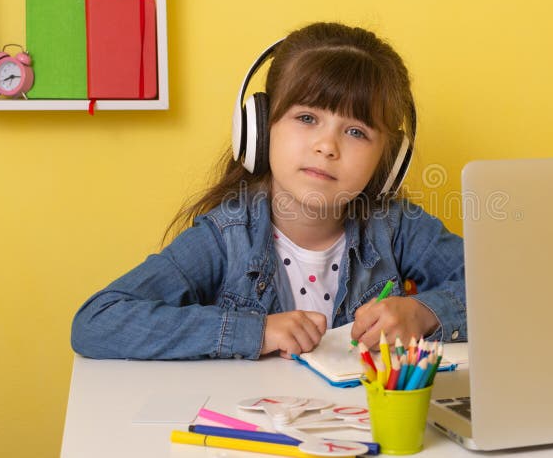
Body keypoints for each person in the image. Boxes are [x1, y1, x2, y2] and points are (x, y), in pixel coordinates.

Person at [71, 22, 466, 360]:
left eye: (356, 131)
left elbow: (507, 286)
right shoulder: (227, 237)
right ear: (258, 130)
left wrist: (426, 312)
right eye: (307, 118)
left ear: (389, 161)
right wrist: (255, 332)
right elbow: (98, 321)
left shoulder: (397, 227)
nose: (327, 146)